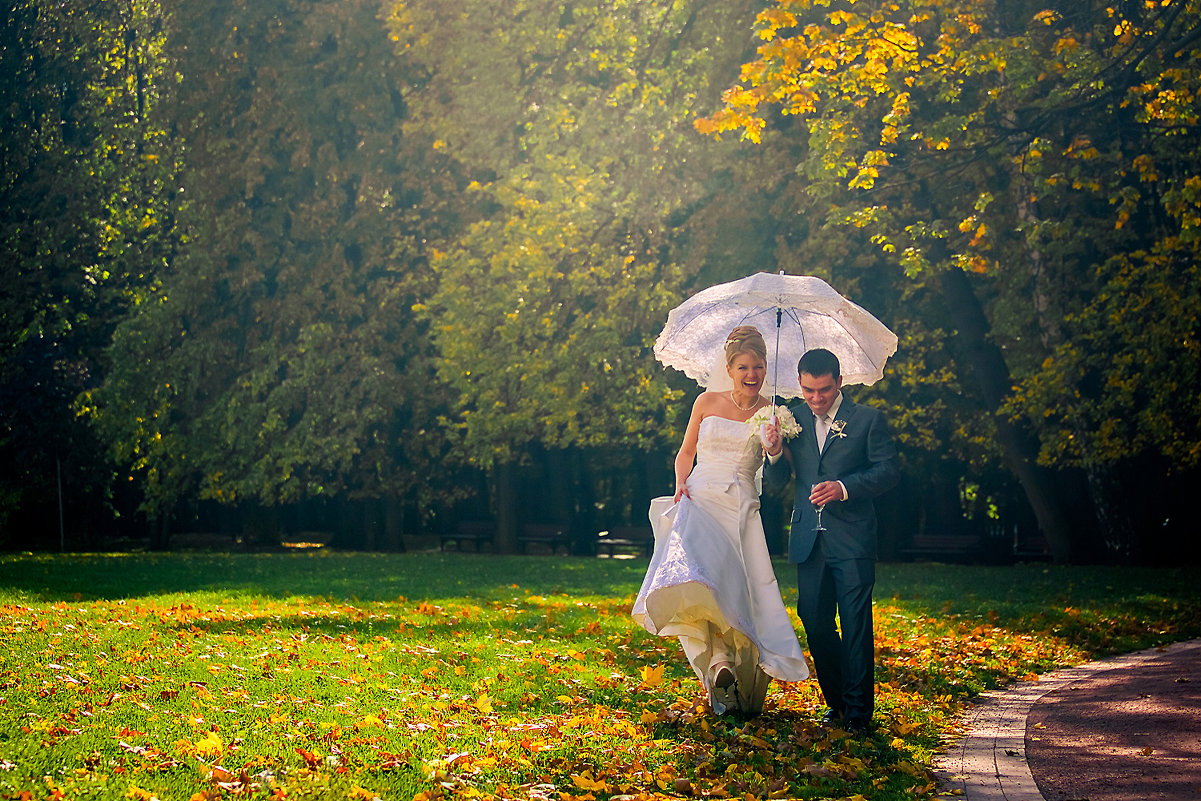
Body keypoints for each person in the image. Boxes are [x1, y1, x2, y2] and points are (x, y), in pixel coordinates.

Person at [632, 326, 809, 716]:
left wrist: (775, 450)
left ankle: (727, 673)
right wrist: (680, 481)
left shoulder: (772, 413)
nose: (752, 374)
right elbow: (685, 453)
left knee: (736, 588)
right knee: (701, 578)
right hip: (698, 499)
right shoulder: (705, 402)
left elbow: (778, 477)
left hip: (741, 506)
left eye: (759, 366)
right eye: (743, 366)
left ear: (766, 369)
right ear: (729, 368)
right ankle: (720, 660)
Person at [762, 348, 900, 734]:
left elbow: (889, 471)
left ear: (839, 382)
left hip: (853, 537)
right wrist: (774, 453)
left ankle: (857, 712)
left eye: (823, 390)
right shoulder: (792, 419)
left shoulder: (868, 420)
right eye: (808, 390)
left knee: (856, 623)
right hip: (808, 537)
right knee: (815, 621)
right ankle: (837, 702)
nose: (816, 399)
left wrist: (843, 487)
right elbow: (775, 484)